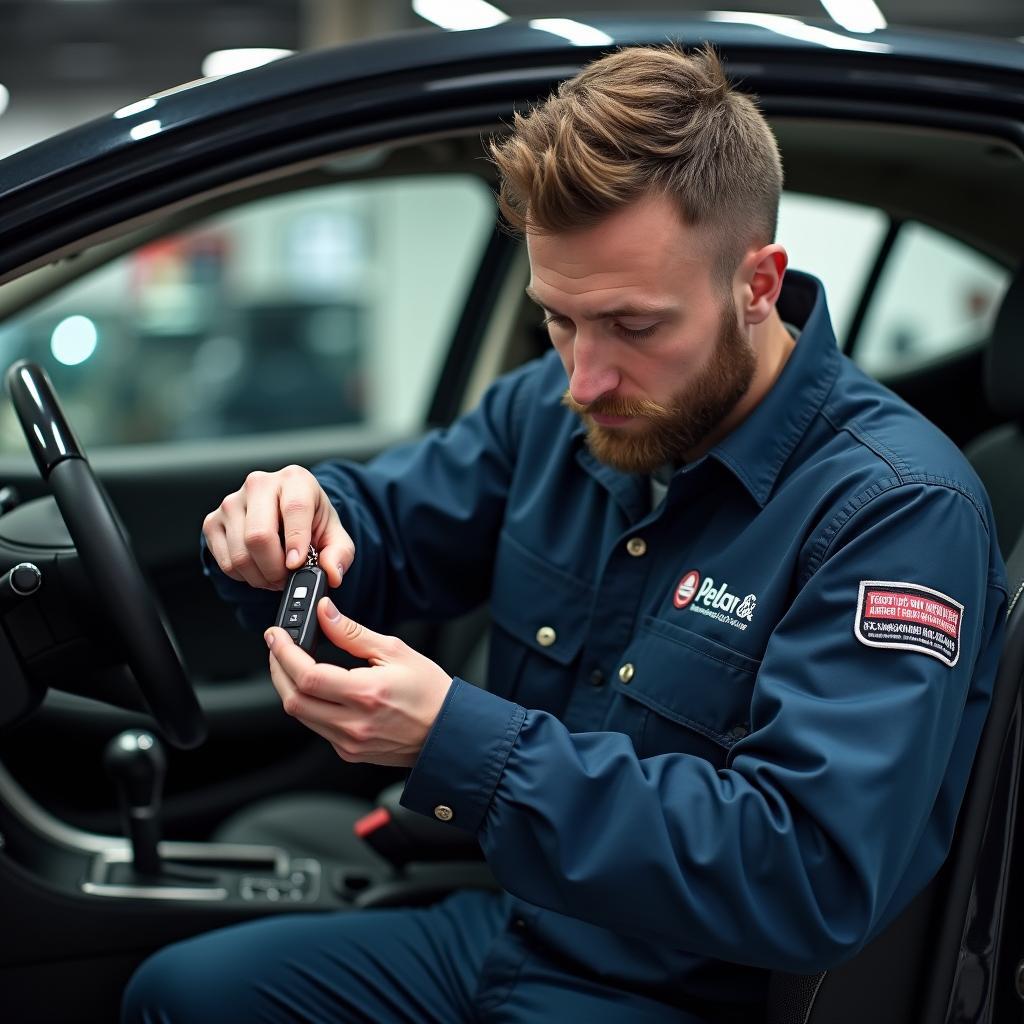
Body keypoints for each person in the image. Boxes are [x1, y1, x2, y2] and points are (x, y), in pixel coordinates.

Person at [123, 43, 1008, 1023]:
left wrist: (459, 741)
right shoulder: (551, 410)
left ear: (756, 284)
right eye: (559, 320)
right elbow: (384, 528)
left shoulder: (895, 509)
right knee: (178, 997)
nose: (585, 376)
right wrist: (288, 522)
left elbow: (805, 868)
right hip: (516, 930)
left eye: (633, 326)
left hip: (690, 994)